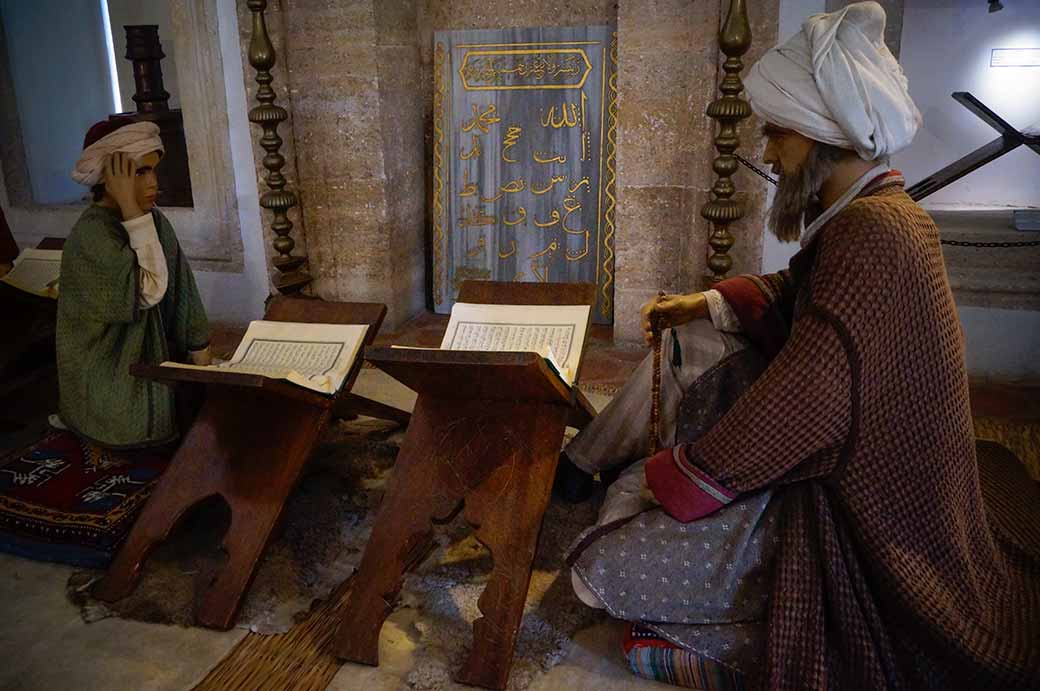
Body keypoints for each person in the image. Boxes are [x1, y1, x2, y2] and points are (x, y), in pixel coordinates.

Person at [563, 3, 1040, 689]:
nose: (767, 150)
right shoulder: (871, 217)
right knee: (693, 337)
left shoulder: (876, 236)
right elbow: (801, 292)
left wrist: (680, 476)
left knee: (595, 569)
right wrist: (706, 302)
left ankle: (718, 641)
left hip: (860, 523)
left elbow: (806, 408)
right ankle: (603, 471)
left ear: (821, 136)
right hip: (833, 476)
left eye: (778, 133)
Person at [55, 119, 211, 448]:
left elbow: (184, 292)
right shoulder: (92, 234)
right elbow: (149, 291)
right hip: (109, 370)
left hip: (155, 357)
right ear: (110, 178)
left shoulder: (154, 220)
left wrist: (204, 363)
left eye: (153, 170)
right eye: (139, 173)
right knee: (139, 428)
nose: (154, 182)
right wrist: (128, 206)